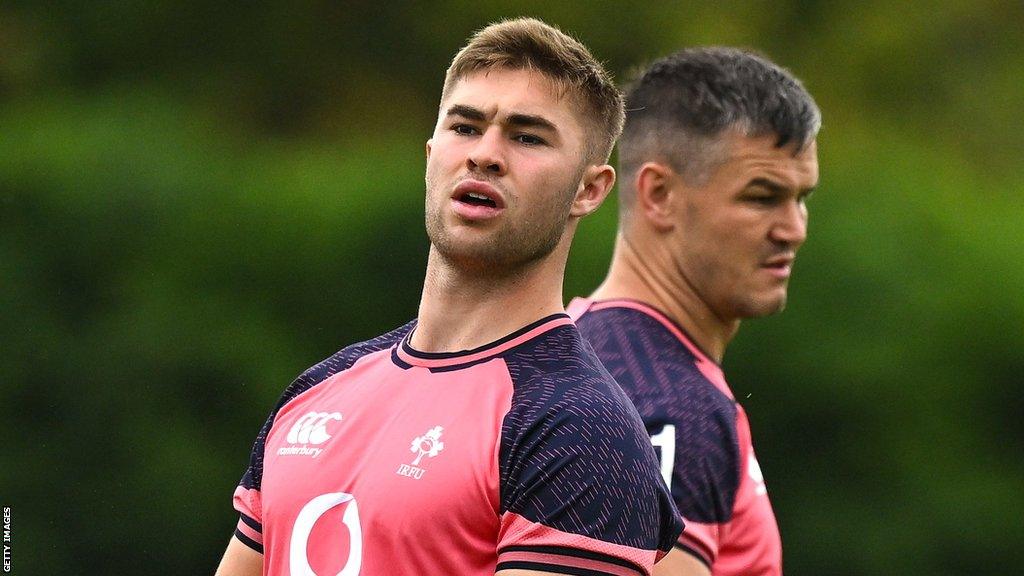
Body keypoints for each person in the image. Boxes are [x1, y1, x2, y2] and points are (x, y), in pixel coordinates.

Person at [214, 18, 682, 576]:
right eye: (465, 127)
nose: (485, 154)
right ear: (431, 152)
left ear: (589, 189)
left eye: (527, 136)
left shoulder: (580, 429)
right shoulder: (317, 390)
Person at [568, 47, 821, 576]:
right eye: (762, 196)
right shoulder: (672, 411)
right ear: (659, 194)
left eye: (802, 197)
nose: (794, 228)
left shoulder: (567, 348)